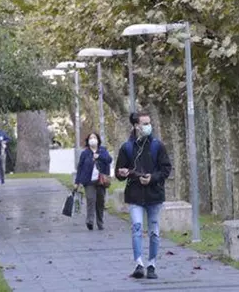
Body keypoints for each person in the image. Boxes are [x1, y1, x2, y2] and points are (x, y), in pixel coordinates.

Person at [115, 111, 172, 280]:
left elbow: (166, 169)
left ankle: (152, 264)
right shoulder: (127, 147)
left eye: (149, 123)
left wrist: (152, 178)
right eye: (144, 123)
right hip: (135, 195)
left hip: (154, 195)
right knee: (137, 228)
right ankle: (138, 264)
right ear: (136, 126)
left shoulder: (157, 146)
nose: (148, 126)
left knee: (154, 231)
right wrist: (123, 173)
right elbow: (119, 173)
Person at [74, 133, 112, 231]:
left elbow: (109, 160)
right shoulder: (85, 153)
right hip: (88, 181)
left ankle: (100, 222)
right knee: (91, 199)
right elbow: (80, 168)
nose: (93, 139)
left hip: (101, 180)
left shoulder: (103, 150)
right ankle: (90, 221)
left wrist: (99, 156)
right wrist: (77, 182)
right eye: (91, 138)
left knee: (100, 202)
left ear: (98, 140)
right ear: (88, 141)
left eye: (94, 137)